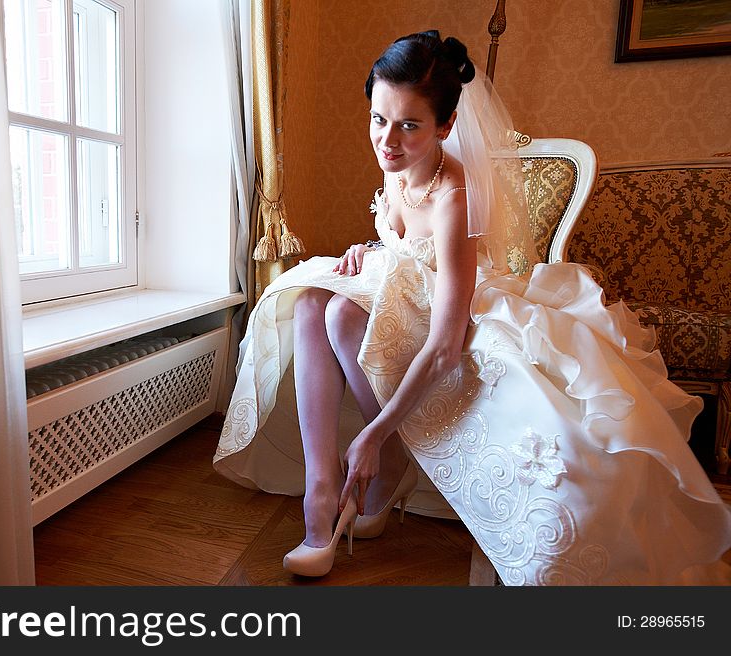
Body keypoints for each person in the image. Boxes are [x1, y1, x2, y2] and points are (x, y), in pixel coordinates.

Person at [214, 30, 731, 584]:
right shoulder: (394, 162)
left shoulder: (454, 194)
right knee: (314, 298)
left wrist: (374, 434)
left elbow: (444, 342)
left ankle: (385, 461)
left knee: (339, 312)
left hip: (449, 314)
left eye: (410, 125)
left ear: (445, 127)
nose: (387, 141)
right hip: (405, 292)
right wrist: (368, 249)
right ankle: (320, 498)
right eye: (378, 118)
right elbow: (402, 242)